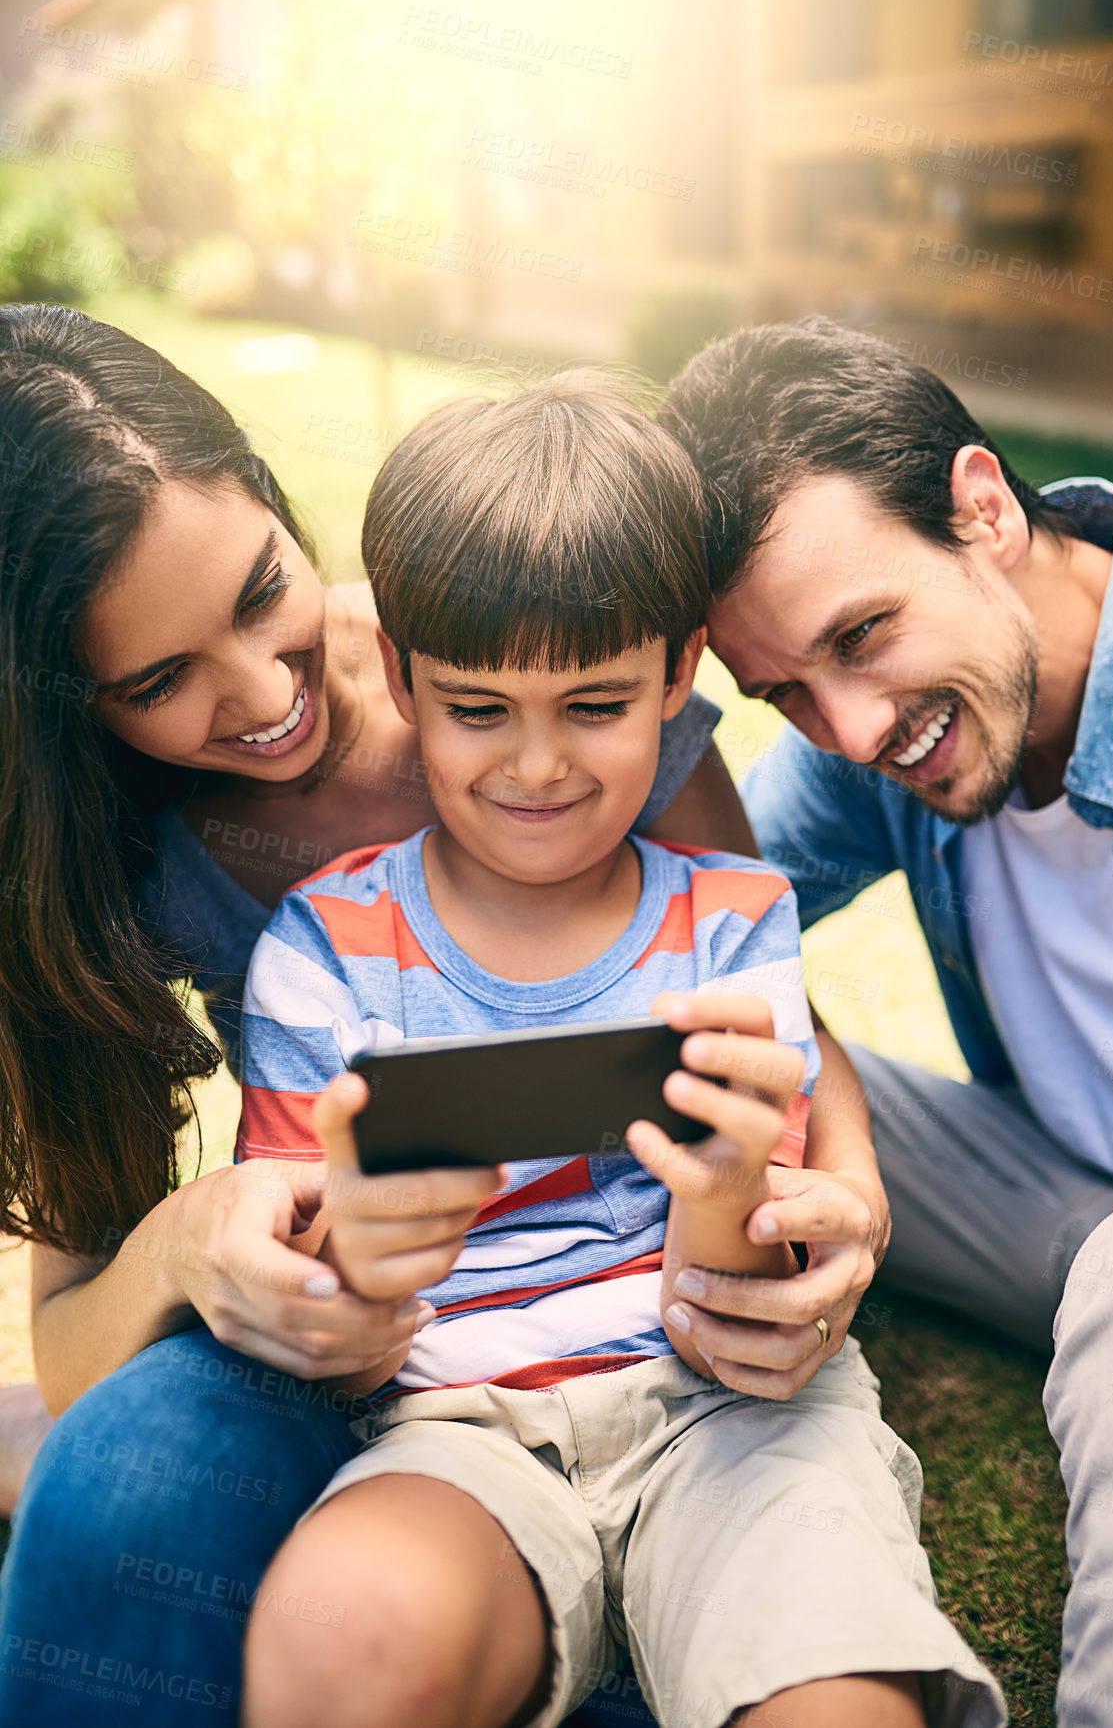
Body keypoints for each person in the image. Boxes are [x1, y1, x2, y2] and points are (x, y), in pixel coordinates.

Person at [0, 308, 883, 1723]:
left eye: (256, 592)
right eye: (159, 681)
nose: (265, 693)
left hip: (652, 1339)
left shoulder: (521, 640)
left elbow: (762, 1006)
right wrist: (190, 1242)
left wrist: (849, 1198)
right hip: (368, 1338)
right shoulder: (100, 870)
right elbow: (76, 1344)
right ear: (67, 712)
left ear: (278, 507)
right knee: (119, 1484)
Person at [235, 373, 1003, 1728]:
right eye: (480, 709)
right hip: (455, 1431)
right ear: (403, 678)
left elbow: (747, 1306)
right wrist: (363, 1263)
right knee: (339, 1642)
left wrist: (723, 1191)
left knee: (840, 1705)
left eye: (595, 706)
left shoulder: (731, 923)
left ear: (677, 682)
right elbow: (333, 1342)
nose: (538, 768)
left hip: (734, 1417)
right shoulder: (324, 948)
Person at [660, 316, 1113, 1726]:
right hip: (1065, 1184)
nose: (856, 728)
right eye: (786, 695)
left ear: (983, 508)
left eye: (861, 639)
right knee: (704, 1074)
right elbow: (695, 924)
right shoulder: (893, 726)